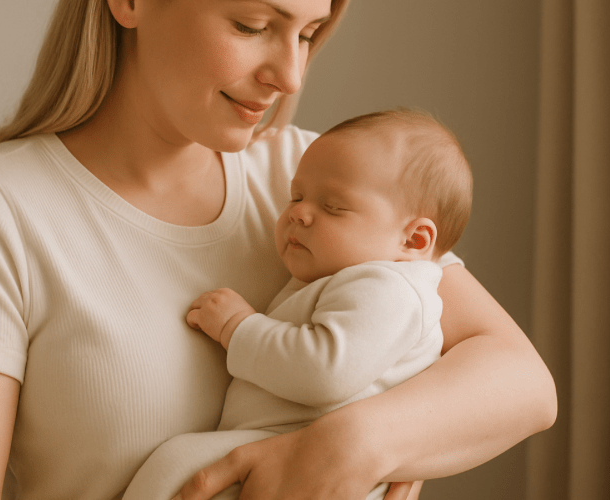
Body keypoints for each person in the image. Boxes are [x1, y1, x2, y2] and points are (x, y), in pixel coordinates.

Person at [0, 0, 557, 499]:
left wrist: (348, 446)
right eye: (253, 25)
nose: (289, 75)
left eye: (308, 34)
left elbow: (523, 383)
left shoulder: (314, 180)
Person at [122, 109, 473, 500]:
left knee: (176, 465)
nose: (299, 213)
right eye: (297, 196)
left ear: (415, 240)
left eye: (334, 207)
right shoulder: (353, 276)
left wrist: (238, 327)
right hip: (289, 451)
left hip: (308, 457)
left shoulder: (390, 288)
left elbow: (326, 370)